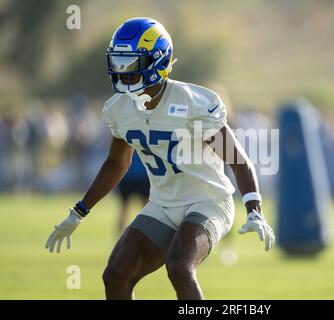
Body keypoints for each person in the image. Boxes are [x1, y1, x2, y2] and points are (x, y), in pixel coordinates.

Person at [45, 17, 275, 300]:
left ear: (157, 62)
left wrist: (254, 209)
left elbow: (238, 160)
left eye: (130, 64)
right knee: (116, 274)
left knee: (179, 266)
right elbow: (118, 163)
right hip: (164, 204)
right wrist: (79, 211)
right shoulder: (120, 108)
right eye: (118, 63)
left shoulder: (193, 102)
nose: (122, 72)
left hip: (208, 202)